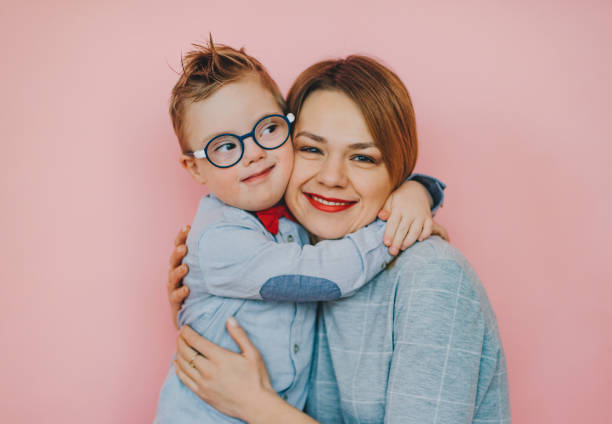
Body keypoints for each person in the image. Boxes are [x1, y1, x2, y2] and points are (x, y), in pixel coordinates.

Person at [168, 56, 510, 423]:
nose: (331, 177)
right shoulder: (296, 248)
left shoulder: (433, 278)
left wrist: (258, 407)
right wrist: (198, 306)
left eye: (363, 157)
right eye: (312, 149)